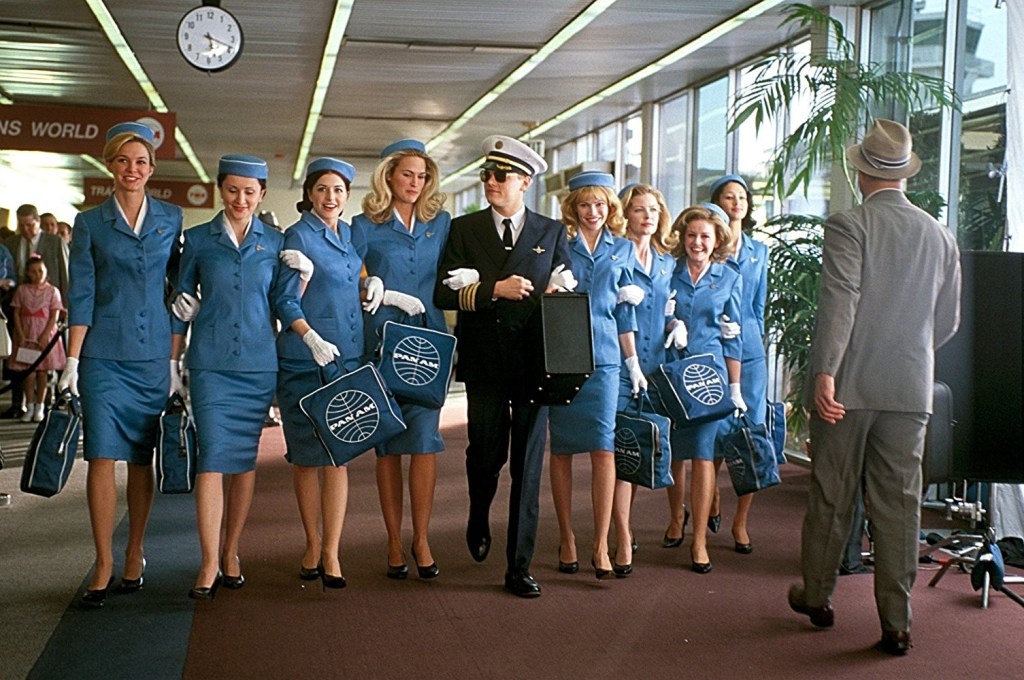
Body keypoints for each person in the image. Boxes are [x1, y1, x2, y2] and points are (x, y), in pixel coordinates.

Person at [787, 119, 961, 656]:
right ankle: (897, 623)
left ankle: (817, 596)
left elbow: (841, 303)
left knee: (833, 493)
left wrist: (824, 373)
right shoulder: (940, 234)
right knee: (900, 504)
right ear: (905, 174)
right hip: (910, 390)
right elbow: (947, 320)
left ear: (861, 171)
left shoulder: (849, 223)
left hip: (848, 387)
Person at [434, 134, 572, 598]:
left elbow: (567, 280)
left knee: (528, 467)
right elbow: (444, 291)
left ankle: (519, 565)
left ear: (524, 183)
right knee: (486, 455)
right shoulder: (465, 228)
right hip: (486, 360)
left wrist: (559, 289)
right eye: (487, 175)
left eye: (501, 176)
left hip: (536, 364)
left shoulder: (550, 231)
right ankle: (478, 513)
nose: (491, 182)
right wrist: (495, 288)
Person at [59, 121, 183, 608]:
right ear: (110, 166)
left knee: (140, 456)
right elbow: (82, 293)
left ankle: (135, 551)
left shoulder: (171, 219)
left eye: (141, 162)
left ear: (151, 169)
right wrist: (71, 358)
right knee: (101, 456)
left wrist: (179, 344)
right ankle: (103, 560)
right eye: (123, 161)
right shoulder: (89, 223)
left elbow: (180, 285)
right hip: (102, 356)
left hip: (152, 351)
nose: (132, 169)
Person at [171, 154, 303, 600]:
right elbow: (182, 296)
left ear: (262, 194)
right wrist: (176, 341)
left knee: (243, 461)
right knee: (212, 457)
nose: (240, 199)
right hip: (209, 362)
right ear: (220, 190)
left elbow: (285, 304)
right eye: (232, 190)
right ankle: (208, 561)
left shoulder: (277, 241)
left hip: (258, 363)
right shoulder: (198, 239)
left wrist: (305, 277)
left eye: (250, 192)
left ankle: (231, 550)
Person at [351, 139, 451, 581]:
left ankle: (422, 537)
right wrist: (371, 286)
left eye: (422, 175)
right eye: (407, 174)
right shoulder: (363, 225)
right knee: (389, 444)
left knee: (425, 442)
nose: (415, 183)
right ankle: (393, 539)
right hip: (382, 343)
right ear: (389, 175)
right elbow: (347, 272)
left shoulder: (441, 223)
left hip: (429, 345)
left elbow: (457, 268)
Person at [276, 157, 365, 590]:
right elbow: (285, 300)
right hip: (305, 358)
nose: (332, 197)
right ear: (310, 194)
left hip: (346, 357)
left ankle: (332, 550)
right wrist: (310, 337)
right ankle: (312, 543)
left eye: (339, 190)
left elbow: (350, 284)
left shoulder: (347, 234)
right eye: (323, 189)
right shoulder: (299, 236)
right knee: (307, 458)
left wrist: (374, 286)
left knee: (339, 456)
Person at [548, 171, 638, 580]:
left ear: (610, 208)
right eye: (585, 204)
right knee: (563, 450)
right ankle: (567, 537)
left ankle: (601, 544)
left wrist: (632, 360)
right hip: (564, 355)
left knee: (604, 449)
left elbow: (625, 310)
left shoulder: (622, 249)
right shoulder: (558, 246)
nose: (593, 211)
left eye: (600, 204)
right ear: (573, 208)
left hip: (604, 358)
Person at [665, 203, 745, 574]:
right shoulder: (669, 271)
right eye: (692, 235)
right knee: (675, 453)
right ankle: (675, 517)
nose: (697, 242)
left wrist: (735, 387)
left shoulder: (728, 277)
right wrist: (669, 323)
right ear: (683, 237)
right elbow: (655, 313)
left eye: (705, 237)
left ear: (717, 242)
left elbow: (733, 336)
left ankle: (699, 538)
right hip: (671, 370)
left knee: (702, 453)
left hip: (709, 378)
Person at [610, 184, 677, 561]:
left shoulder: (666, 261)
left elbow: (666, 309)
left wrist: (675, 323)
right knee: (621, 449)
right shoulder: (617, 255)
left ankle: (624, 523)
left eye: (653, 209)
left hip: (655, 364)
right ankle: (621, 536)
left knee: (639, 447)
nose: (647, 216)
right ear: (627, 215)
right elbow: (620, 312)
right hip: (623, 365)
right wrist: (631, 362)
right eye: (639, 210)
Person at [707, 174, 768, 554]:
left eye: (742, 197)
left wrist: (753, 341)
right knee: (712, 430)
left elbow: (759, 306)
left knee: (751, 435)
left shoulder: (759, 251)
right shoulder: (710, 246)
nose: (737, 202)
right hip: (713, 347)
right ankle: (709, 497)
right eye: (729, 197)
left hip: (751, 350)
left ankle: (741, 523)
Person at [5, 204, 69, 419]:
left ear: (37, 222)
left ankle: (45, 402)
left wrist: (66, 307)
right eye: (21, 225)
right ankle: (18, 404)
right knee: (20, 358)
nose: (25, 230)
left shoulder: (55, 242)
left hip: (47, 310)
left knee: (44, 363)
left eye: (29, 225)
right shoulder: (12, 243)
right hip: (20, 308)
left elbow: (65, 274)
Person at [8, 256, 65, 422]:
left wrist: (45, 335)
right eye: (33, 271)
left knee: (42, 373)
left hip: (45, 336)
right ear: (27, 273)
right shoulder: (22, 290)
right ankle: (29, 404)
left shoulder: (52, 291)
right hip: (26, 335)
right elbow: (16, 313)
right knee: (28, 373)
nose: (37, 274)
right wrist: (20, 334)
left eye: (40, 270)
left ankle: (40, 406)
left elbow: (54, 315)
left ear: (46, 272)